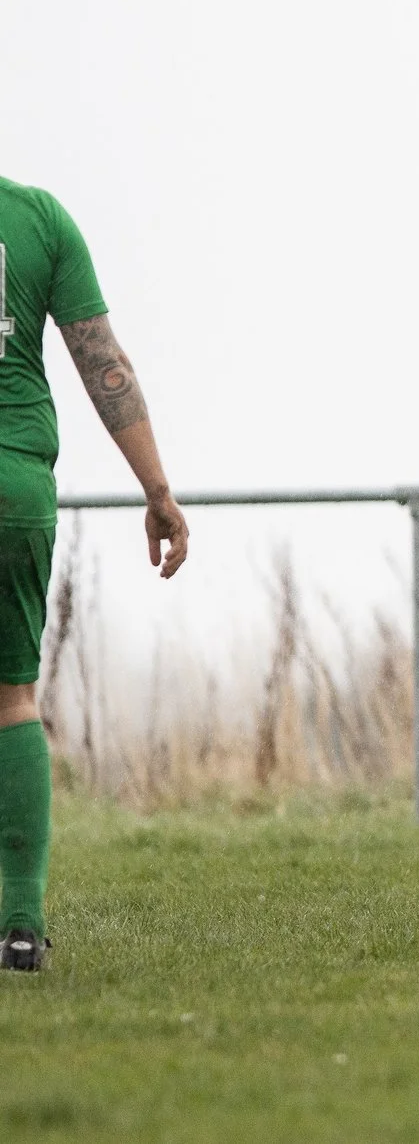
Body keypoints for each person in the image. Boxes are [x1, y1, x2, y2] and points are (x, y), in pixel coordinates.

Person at [0, 177, 188, 972]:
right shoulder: (39, 219)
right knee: (12, 699)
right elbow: (102, 362)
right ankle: (19, 924)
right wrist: (158, 490)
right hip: (14, 490)